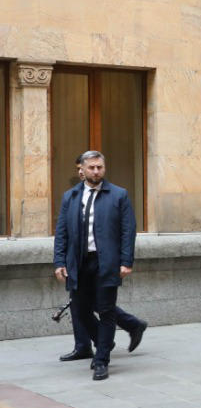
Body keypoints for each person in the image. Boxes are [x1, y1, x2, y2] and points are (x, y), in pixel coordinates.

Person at [52, 151, 147, 381]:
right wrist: (59, 262)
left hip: (106, 262)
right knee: (80, 310)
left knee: (106, 310)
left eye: (100, 167)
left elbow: (128, 231)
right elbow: (61, 233)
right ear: (82, 170)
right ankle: (107, 341)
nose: (96, 171)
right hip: (79, 262)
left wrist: (126, 261)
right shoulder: (71, 197)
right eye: (92, 167)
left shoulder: (119, 195)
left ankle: (102, 360)